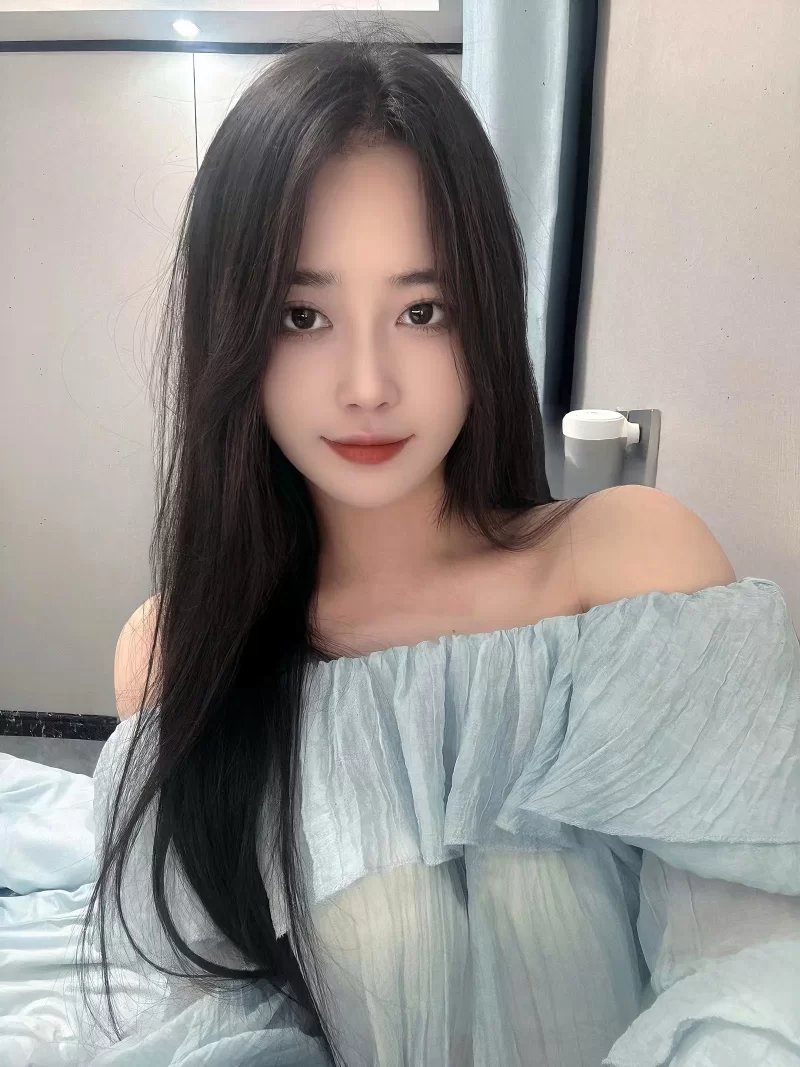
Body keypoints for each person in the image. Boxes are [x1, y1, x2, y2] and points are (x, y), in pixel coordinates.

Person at [82, 24, 800, 1067]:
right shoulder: (178, 653)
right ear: (232, 332)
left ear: (486, 316)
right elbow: (206, 1024)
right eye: (302, 315)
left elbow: (753, 972)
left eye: (421, 309)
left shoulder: (631, 573)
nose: (368, 383)